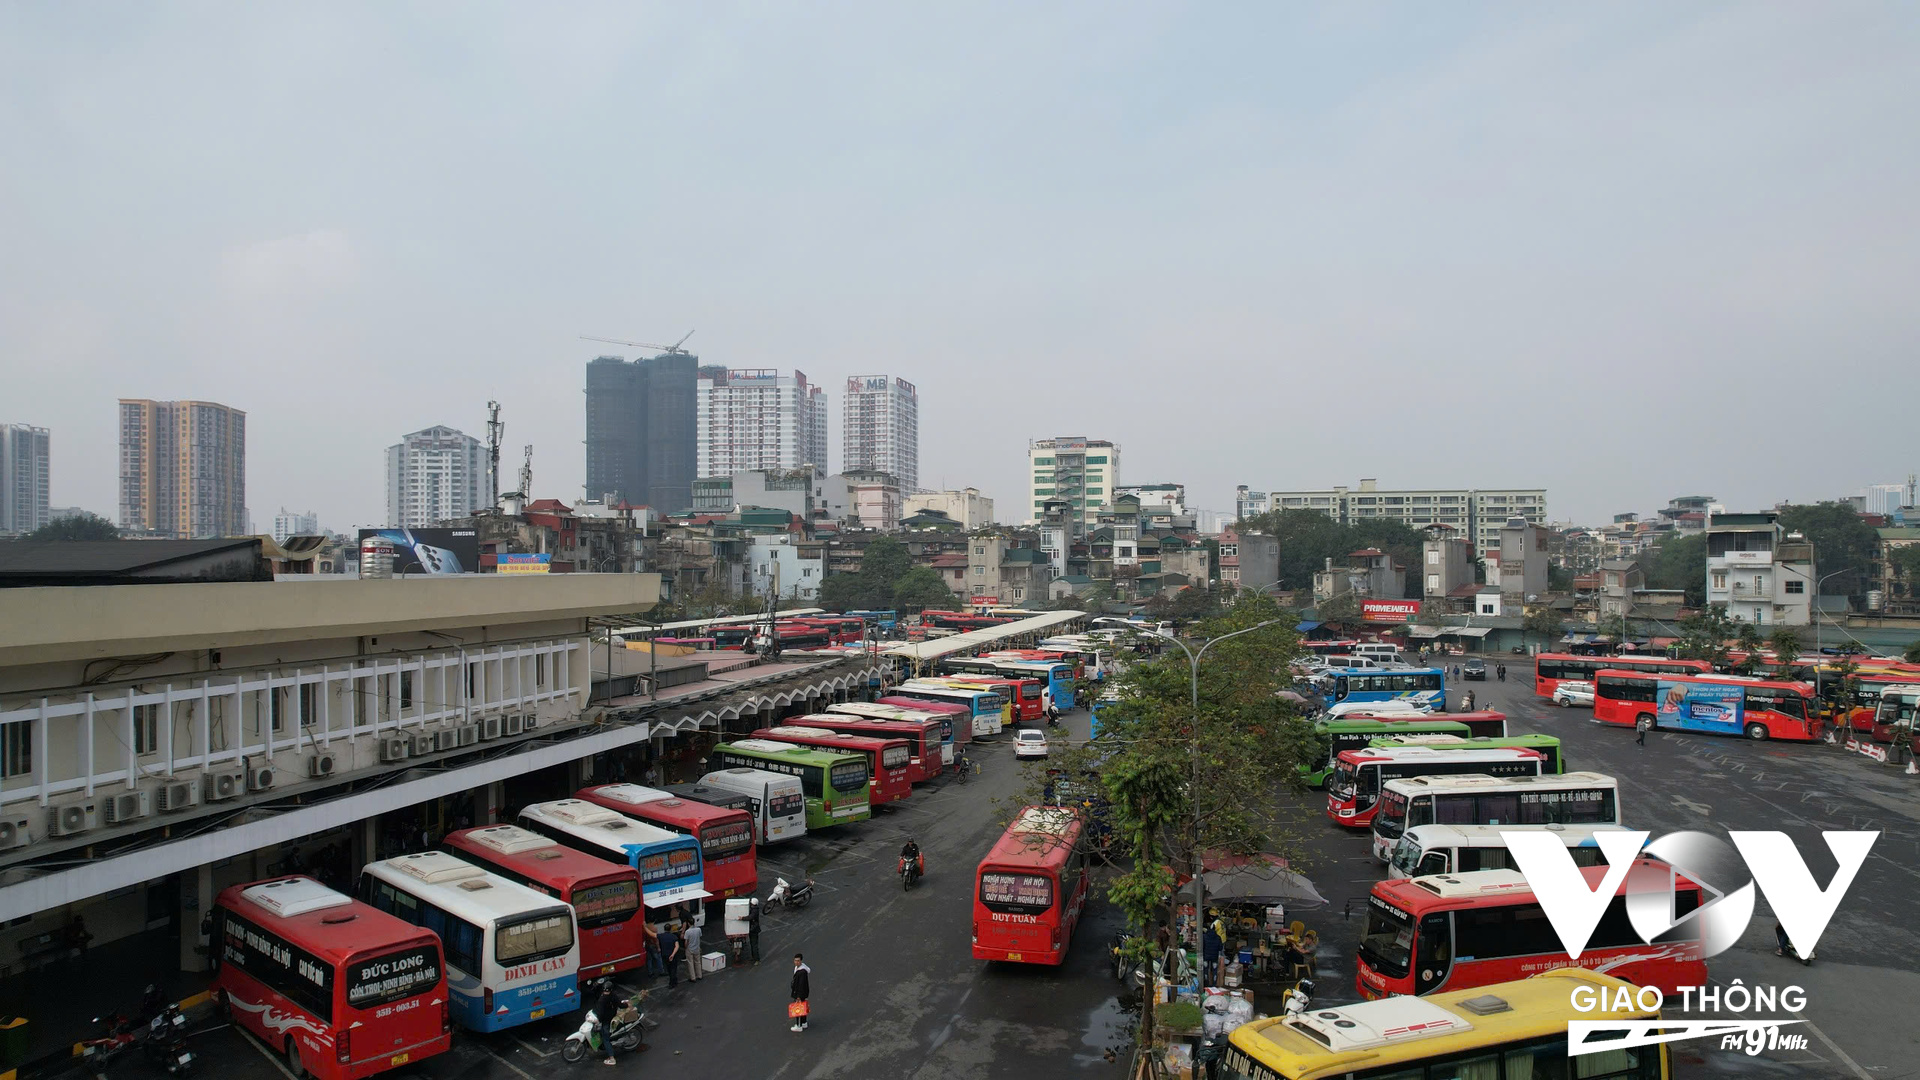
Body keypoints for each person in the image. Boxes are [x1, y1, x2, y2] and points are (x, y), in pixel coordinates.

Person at [593, 980, 619, 1065]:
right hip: (612, 1017)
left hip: (606, 1021)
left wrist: (597, 1020)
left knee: (606, 1039)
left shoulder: (602, 999)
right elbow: (620, 1004)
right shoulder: (613, 996)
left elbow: (600, 1013)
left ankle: (612, 1058)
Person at [790, 953, 812, 1033]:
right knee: (803, 1006)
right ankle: (804, 1022)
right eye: (795, 960)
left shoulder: (801, 972)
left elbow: (801, 985)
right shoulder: (801, 969)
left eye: (798, 961)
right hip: (804, 993)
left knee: (798, 1009)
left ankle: (798, 1025)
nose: (796, 962)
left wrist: (798, 996)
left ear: (801, 961)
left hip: (800, 993)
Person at [659, 924, 682, 989]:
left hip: (665, 955)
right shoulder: (674, 937)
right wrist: (673, 954)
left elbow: (652, 934)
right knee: (673, 969)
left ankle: (673, 980)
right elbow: (677, 946)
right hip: (672, 956)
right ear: (670, 929)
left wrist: (644, 927)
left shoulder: (661, 936)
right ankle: (672, 982)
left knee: (669, 968)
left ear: (664, 929)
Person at [684, 918, 704, 982]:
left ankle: (693, 977)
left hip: (690, 948)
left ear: (688, 923)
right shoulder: (698, 929)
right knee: (698, 961)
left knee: (690, 963)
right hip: (697, 947)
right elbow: (699, 937)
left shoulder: (687, 932)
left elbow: (686, 942)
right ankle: (699, 975)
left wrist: (685, 948)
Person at [747, 897, 763, 965]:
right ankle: (754, 957)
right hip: (752, 929)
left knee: (754, 945)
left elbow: (750, 917)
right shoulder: (754, 909)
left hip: (754, 930)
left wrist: (742, 918)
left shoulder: (754, 911)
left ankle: (757, 959)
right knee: (752, 944)